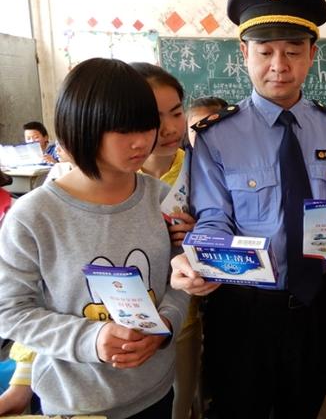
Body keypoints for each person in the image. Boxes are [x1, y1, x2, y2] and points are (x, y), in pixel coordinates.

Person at [170, 0, 326, 419]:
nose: (279, 65)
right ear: (244, 53)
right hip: (243, 311)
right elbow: (213, 217)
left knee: (304, 409)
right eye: (265, 51)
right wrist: (204, 259)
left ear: (312, 55)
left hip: (315, 306)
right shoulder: (216, 136)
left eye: (293, 51)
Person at [0, 58, 190, 418]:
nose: (142, 141)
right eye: (123, 130)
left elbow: (178, 281)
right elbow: (11, 311)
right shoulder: (33, 217)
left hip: (154, 391)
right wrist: (92, 339)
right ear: (82, 128)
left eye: (146, 126)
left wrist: (166, 323)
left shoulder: (162, 199)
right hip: (76, 403)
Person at [129, 62, 200, 419]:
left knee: (179, 404)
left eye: (176, 112)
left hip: (183, 316)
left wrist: (201, 233)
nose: (171, 128)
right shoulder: (117, 179)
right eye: (156, 118)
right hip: (123, 323)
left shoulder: (201, 168)